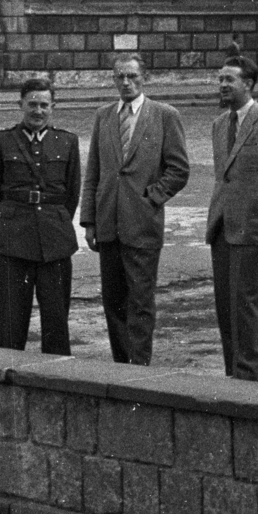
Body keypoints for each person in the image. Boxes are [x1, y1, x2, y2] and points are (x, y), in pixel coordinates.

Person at [80, 54, 189, 366]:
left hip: (142, 224)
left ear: (145, 78)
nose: (125, 83)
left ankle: (139, 365)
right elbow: (94, 172)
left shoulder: (165, 115)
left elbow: (179, 170)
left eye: (132, 76)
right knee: (112, 299)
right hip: (107, 223)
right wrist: (89, 220)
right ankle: (121, 364)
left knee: (140, 300)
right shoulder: (103, 116)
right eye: (119, 77)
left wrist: (150, 198)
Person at [0, 76, 81, 355]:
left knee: (56, 320)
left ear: (53, 107)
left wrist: (53, 222)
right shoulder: (0, 141)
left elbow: (71, 194)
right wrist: (8, 221)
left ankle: (58, 380)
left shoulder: (67, 142)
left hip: (55, 240)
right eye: (32, 104)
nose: (38, 111)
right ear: (21, 105)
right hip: (11, 240)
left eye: (44, 105)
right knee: (10, 320)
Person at [205, 55, 258, 382]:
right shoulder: (219, 125)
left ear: (248, 83)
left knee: (247, 311)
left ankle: (249, 383)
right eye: (220, 80)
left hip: (252, 228)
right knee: (226, 311)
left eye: (229, 80)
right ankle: (242, 377)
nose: (222, 86)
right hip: (221, 228)